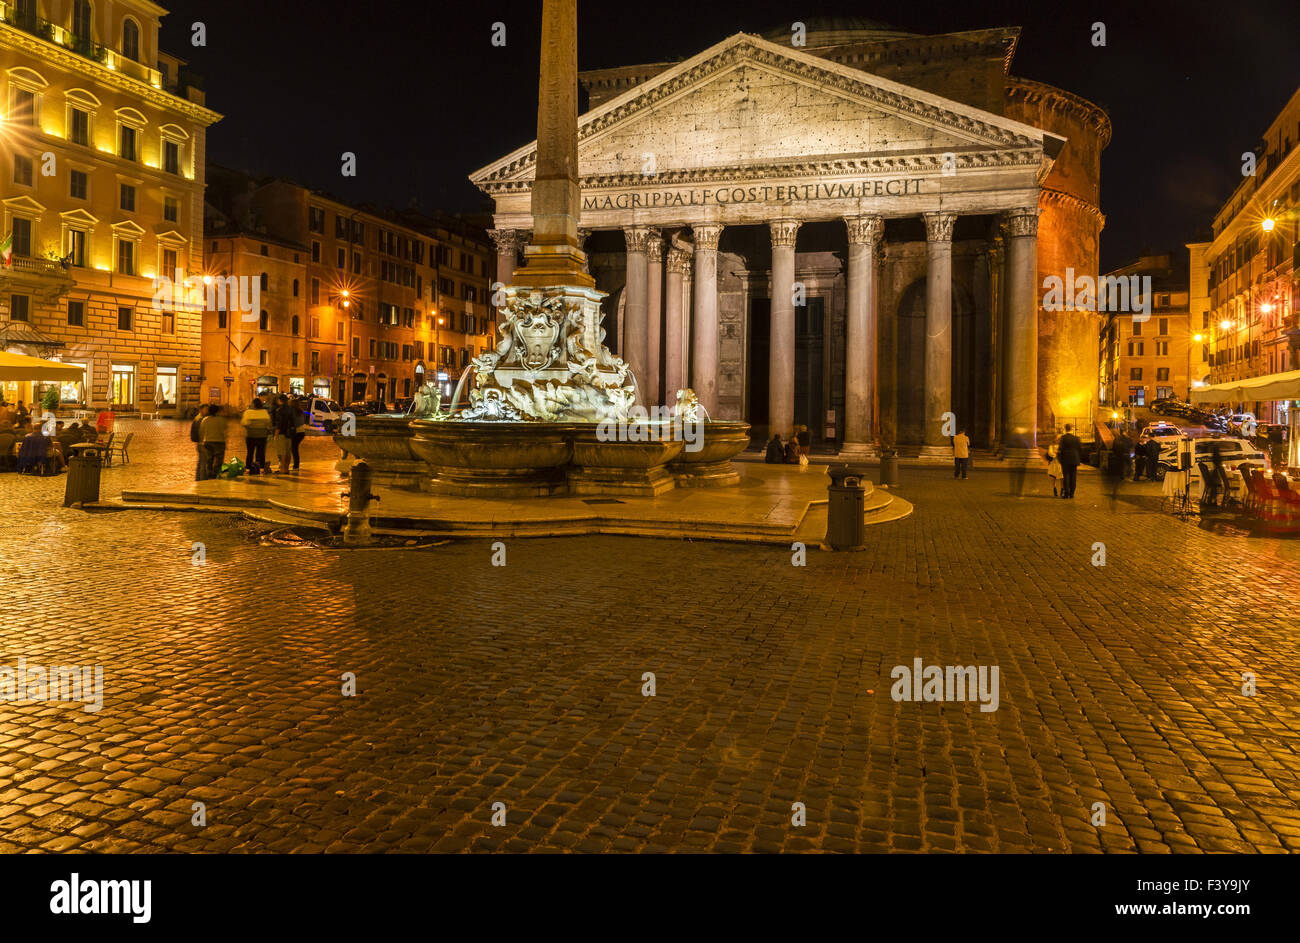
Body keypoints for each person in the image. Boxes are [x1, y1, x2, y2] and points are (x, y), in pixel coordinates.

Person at [241, 398, 272, 475]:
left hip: (251, 436)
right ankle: (261, 469)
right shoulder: (264, 412)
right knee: (261, 453)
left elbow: (244, 423)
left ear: (253, 404)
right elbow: (268, 424)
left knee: (250, 453)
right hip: (262, 436)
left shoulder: (248, 412)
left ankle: (248, 469)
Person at [199, 404, 228, 479]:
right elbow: (225, 431)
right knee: (219, 461)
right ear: (217, 411)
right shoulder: (222, 420)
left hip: (208, 442)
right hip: (219, 442)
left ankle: (209, 475)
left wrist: (202, 442)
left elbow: (202, 431)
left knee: (209, 460)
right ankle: (215, 474)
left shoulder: (205, 420)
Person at [1057, 423, 1082, 499]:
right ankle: (1072, 493)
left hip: (1065, 460)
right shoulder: (1077, 438)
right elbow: (1080, 449)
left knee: (1066, 476)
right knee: (1073, 477)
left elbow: (1060, 449)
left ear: (1065, 429)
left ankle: (1066, 493)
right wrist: (1078, 458)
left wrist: (1060, 459)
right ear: (1072, 429)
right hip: (1074, 460)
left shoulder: (1063, 438)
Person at [273, 394, 295, 474]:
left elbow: (279, 423)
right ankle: (286, 468)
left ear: (280, 400)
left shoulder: (279, 410)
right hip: (290, 433)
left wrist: (276, 435)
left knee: (282, 452)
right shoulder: (290, 409)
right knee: (288, 452)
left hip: (282, 433)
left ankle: (282, 469)